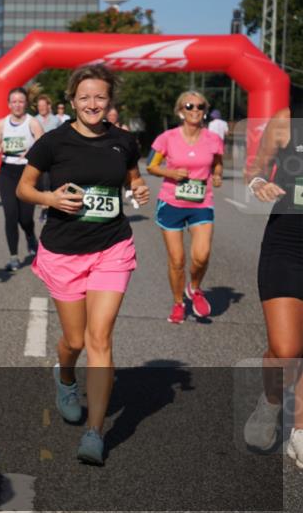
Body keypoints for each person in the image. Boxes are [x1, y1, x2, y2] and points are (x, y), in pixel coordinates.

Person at [16, 63, 150, 465]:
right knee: (74, 342)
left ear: (110, 101)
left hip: (112, 246)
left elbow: (133, 178)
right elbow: (25, 187)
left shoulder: (124, 141)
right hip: (64, 250)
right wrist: (50, 199)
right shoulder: (53, 143)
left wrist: (140, 189)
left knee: (100, 338)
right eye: (85, 97)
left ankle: (94, 432)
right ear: (72, 100)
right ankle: (66, 376)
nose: (93, 104)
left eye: (101, 97)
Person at [242, 85, 303, 468]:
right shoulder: (286, 121)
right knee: (285, 349)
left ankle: (299, 429)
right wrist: (258, 184)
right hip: (288, 244)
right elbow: (256, 169)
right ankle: (272, 400)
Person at [146, 91, 224, 324]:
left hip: (201, 203)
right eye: (189, 106)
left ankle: (195, 288)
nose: (195, 110)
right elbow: (151, 166)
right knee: (177, 260)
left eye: (200, 106)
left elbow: (217, 165)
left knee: (201, 256)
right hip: (171, 202)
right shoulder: (167, 138)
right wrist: (170, 172)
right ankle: (178, 302)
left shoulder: (212, 139)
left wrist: (218, 176)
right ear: (181, 110)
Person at [0, 88, 45, 271]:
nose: (17, 105)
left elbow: (44, 146)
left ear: (26, 104)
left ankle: (30, 235)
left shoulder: (33, 122)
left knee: (25, 217)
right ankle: (13, 256)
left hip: (27, 173)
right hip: (7, 173)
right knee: (10, 215)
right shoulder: (1, 124)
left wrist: (32, 152)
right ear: (9, 104)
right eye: (14, 101)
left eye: (21, 101)